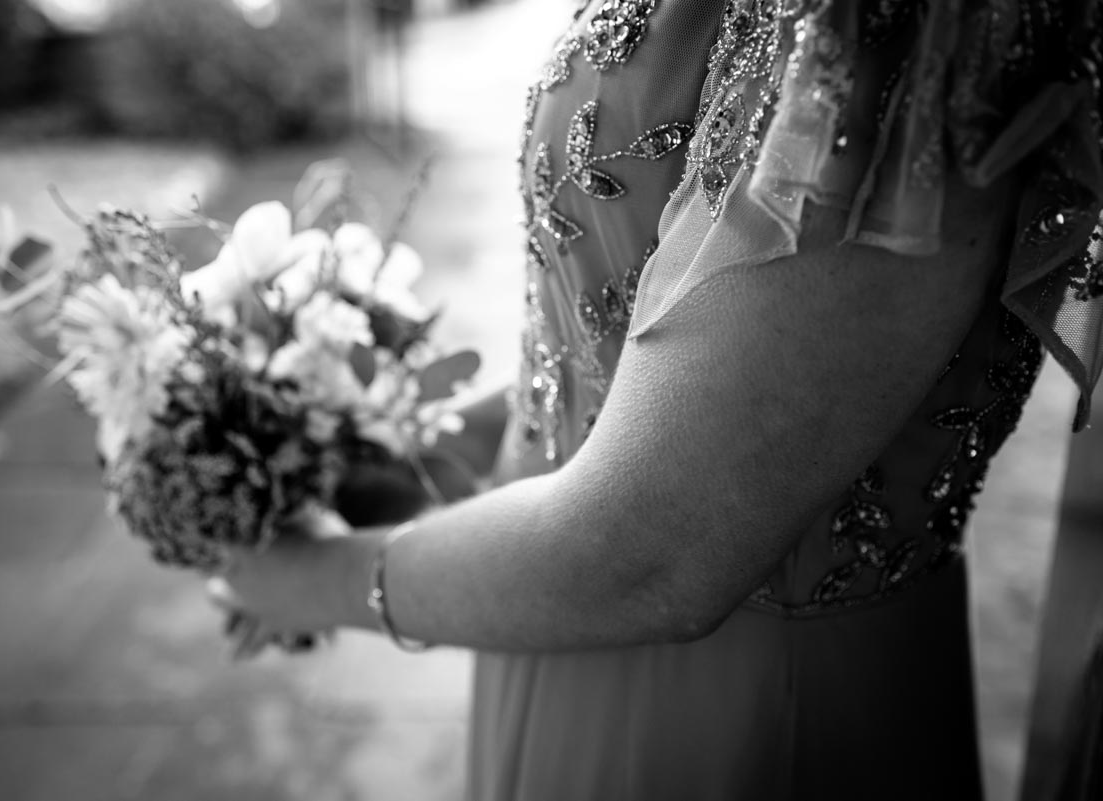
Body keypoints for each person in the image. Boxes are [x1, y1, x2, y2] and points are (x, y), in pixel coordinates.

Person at [211, 1, 1103, 798]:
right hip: (556, 623)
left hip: (746, 711)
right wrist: (393, 440)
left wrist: (303, 578)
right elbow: (630, 347)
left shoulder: (909, 26)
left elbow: (650, 549)